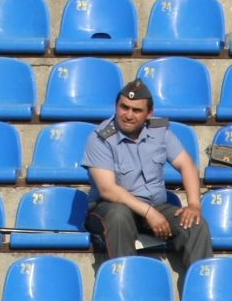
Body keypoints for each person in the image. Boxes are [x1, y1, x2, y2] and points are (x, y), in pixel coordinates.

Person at [82, 79, 213, 281]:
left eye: (136, 110)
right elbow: (107, 189)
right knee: (119, 216)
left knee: (195, 224)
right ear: (116, 106)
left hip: (155, 206)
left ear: (148, 113)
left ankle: (200, 293)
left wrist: (194, 204)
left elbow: (186, 165)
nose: (128, 115)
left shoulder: (159, 132)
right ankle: (125, 289)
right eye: (123, 107)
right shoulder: (100, 137)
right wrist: (149, 213)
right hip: (110, 207)